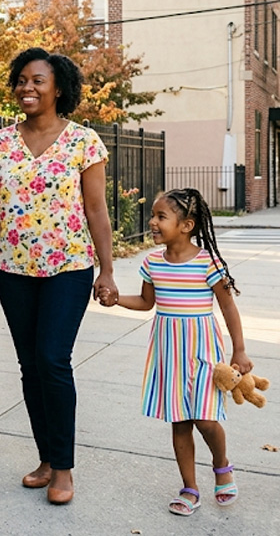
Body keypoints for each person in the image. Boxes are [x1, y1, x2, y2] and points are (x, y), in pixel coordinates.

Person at [0, 47, 117, 506]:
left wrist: (107, 269)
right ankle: (46, 458)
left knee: (52, 360)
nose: (27, 88)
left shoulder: (84, 142)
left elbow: (96, 209)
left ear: (59, 88)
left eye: (38, 81)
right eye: (21, 80)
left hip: (68, 268)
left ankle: (64, 468)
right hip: (13, 269)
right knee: (30, 366)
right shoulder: (0, 143)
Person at [97, 187, 253, 516]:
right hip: (169, 353)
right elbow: (146, 303)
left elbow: (228, 307)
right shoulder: (152, 261)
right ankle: (189, 488)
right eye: (152, 215)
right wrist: (116, 299)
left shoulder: (206, 262)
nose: (152, 222)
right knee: (180, 422)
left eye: (160, 216)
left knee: (206, 420)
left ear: (186, 225)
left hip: (203, 351)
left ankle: (222, 466)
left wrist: (239, 350)